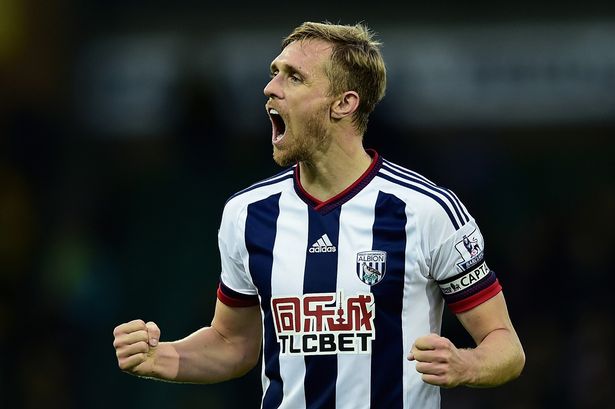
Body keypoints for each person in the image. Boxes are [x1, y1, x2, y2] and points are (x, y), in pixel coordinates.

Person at [113, 21, 525, 408]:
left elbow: (504, 344)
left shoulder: (426, 210)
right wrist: (161, 358)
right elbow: (232, 343)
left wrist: (466, 365)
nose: (270, 88)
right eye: (274, 73)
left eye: (294, 77)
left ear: (344, 104)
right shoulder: (247, 214)